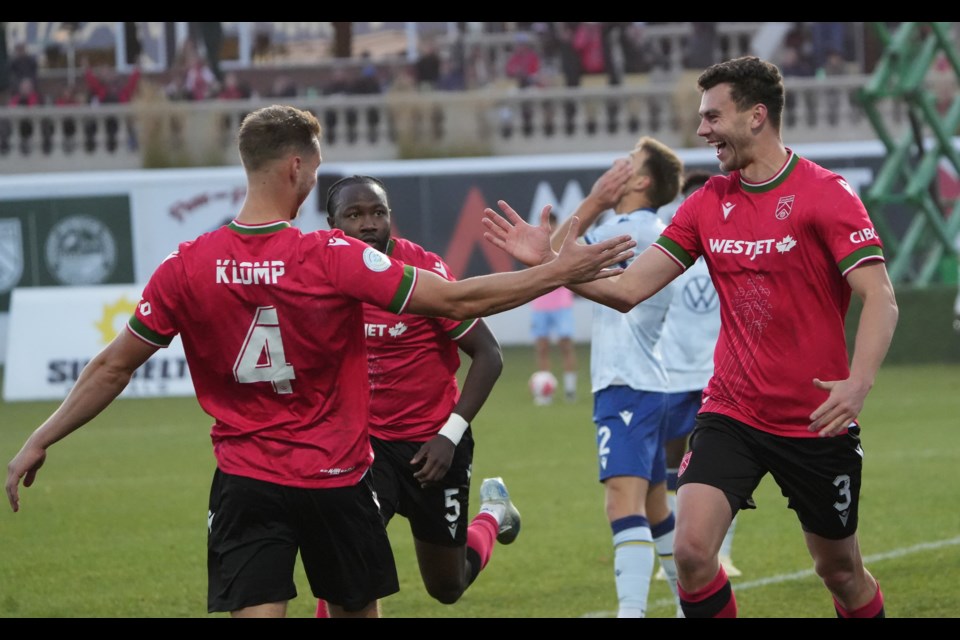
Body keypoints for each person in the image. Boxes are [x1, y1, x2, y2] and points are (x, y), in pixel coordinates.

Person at [5, 104, 636, 619]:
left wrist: (41, 436)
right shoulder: (328, 256)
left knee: (438, 585)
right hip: (338, 478)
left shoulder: (185, 264)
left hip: (247, 481)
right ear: (299, 168)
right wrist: (561, 269)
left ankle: (487, 524)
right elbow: (457, 297)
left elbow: (114, 364)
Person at [482, 55, 898, 618]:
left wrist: (858, 384)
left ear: (757, 116)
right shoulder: (706, 204)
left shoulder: (827, 194)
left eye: (712, 116)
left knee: (840, 571)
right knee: (693, 554)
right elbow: (629, 290)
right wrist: (551, 266)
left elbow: (880, 297)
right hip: (733, 413)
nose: (702, 130)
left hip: (816, 418)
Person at [315, 175, 518, 616]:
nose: (368, 224)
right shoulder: (323, 278)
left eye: (377, 213)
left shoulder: (421, 274)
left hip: (434, 444)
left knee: (447, 587)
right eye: (354, 215)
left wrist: (450, 435)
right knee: (347, 565)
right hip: (366, 449)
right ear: (331, 225)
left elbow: (488, 355)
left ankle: (493, 513)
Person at [548, 135, 685, 617]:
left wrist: (595, 200)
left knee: (620, 505)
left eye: (626, 163)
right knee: (654, 511)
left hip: (627, 384)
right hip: (646, 382)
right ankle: (691, 606)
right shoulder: (640, 228)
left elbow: (549, 255)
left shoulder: (632, 229)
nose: (614, 165)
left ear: (641, 182)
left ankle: (632, 613)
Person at [653, 169, 741, 581]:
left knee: (717, 465)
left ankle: (722, 553)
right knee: (670, 462)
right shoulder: (671, 246)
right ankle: (671, 553)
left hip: (717, 373)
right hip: (672, 371)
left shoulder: (734, 247)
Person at [529, 211, 578, 404]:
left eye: (552, 224)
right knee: (542, 347)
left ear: (557, 225)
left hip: (561, 303)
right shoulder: (534, 245)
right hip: (540, 303)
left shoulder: (565, 245)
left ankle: (570, 390)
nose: (549, 228)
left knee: (565, 345)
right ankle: (544, 392)